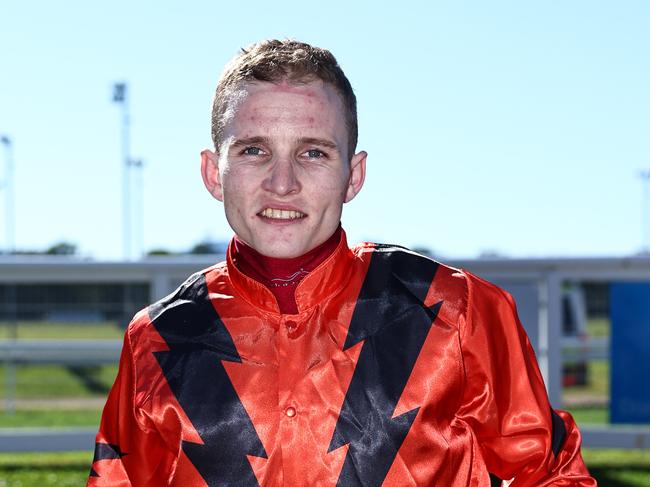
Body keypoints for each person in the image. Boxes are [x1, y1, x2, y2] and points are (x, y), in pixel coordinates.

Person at [88, 39, 596, 486]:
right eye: (253, 151)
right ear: (212, 172)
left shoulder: (454, 310)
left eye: (313, 153)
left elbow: (552, 474)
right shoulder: (155, 339)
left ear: (354, 175)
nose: (281, 183)